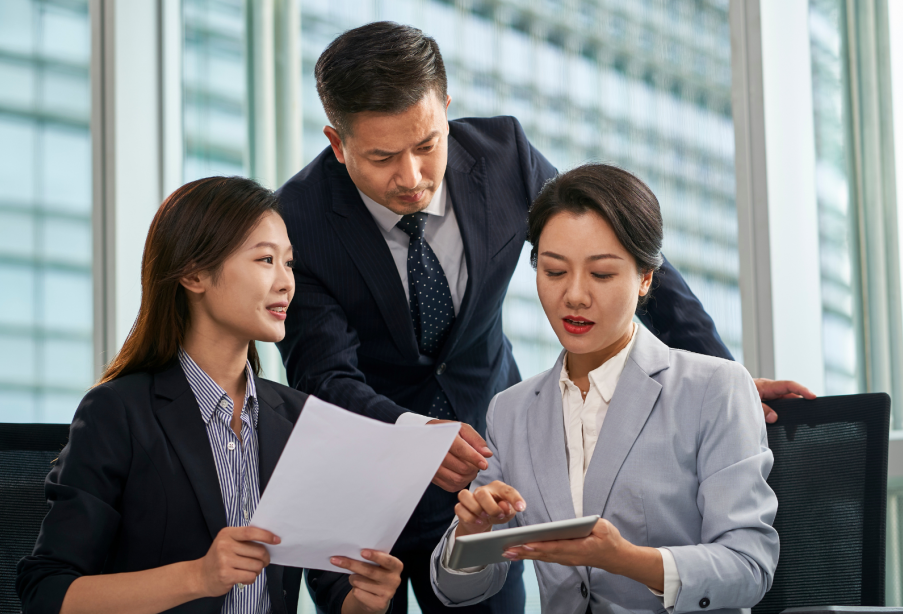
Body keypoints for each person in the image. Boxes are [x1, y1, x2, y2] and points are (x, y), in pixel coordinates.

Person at [276, 21, 804, 614]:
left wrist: (717, 376)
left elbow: (623, 249)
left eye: (427, 145)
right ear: (337, 141)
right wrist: (409, 434)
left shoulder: (501, 156)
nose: (412, 177)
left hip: (488, 470)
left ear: (445, 110)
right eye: (381, 157)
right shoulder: (298, 220)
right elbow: (322, 376)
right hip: (366, 479)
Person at [16, 177, 403, 614]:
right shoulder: (117, 412)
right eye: (265, 259)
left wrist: (367, 599)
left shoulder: (299, 419)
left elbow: (336, 594)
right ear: (194, 273)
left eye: (289, 263)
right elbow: (46, 593)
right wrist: (198, 577)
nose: (286, 283)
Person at [429, 164, 779, 613]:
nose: (574, 295)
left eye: (601, 275)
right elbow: (458, 591)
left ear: (646, 277)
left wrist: (627, 561)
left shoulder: (715, 389)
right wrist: (472, 533)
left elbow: (750, 567)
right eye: (554, 272)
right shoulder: (511, 410)